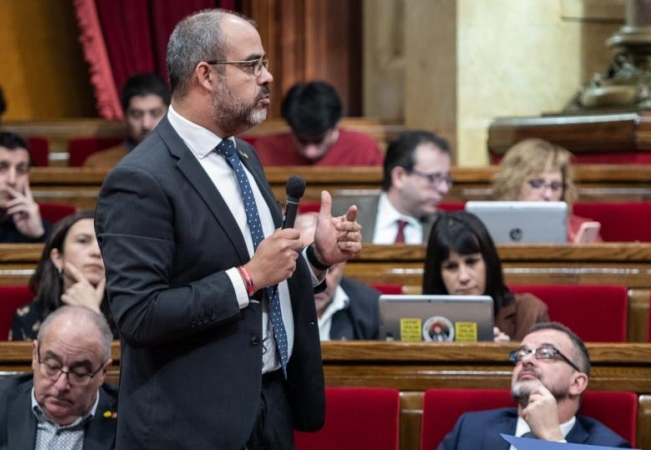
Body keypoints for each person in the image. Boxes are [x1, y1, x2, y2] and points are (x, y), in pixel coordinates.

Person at [94, 9, 362, 449]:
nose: (268, 77)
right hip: (190, 423)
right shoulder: (141, 180)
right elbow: (139, 314)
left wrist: (316, 260)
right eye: (252, 64)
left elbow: (269, 272)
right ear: (206, 75)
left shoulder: (243, 156)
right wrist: (248, 276)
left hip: (270, 405)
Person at [439, 322, 631, 449]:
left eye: (546, 353)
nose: (527, 360)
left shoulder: (610, 446)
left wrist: (553, 440)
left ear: (577, 383)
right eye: (522, 354)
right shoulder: (470, 428)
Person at [0, 305, 118, 450]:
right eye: (52, 367)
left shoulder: (127, 419)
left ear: (103, 372)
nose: (61, 385)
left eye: (79, 373)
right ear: (35, 356)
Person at [422, 211, 549, 342]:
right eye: (451, 267)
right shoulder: (420, 318)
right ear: (438, 274)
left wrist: (505, 355)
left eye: (471, 262)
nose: (464, 277)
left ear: (488, 262)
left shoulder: (528, 311)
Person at [334, 130, 452, 244]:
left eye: (446, 179)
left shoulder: (447, 228)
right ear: (399, 177)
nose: (443, 189)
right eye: (434, 178)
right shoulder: (342, 215)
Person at [10, 211, 110, 341]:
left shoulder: (128, 312)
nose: (97, 252)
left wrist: (94, 315)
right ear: (58, 257)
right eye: (83, 241)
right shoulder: (29, 316)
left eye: (103, 243)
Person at [492, 138, 602, 243]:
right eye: (536, 184)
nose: (548, 194)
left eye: (555, 186)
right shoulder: (492, 228)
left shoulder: (578, 230)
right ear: (513, 184)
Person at [253, 80, 383, 166]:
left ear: (335, 125)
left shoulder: (364, 149)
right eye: (301, 140)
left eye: (318, 140)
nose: (310, 152)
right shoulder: (266, 150)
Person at [296, 212, 380, 340]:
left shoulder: (370, 306)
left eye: (330, 268)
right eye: (309, 268)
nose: (320, 281)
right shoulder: (270, 307)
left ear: (343, 263)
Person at [83, 73, 170, 168]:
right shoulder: (98, 165)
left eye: (155, 113)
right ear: (126, 116)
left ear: (169, 114)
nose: (146, 124)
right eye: (137, 114)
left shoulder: (184, 159)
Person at [0, 131, 50, 243]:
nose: (12, 180)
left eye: (21, 170)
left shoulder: (42, 230)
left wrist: (38, 236)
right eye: (1, 168)